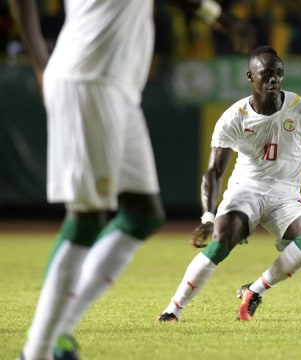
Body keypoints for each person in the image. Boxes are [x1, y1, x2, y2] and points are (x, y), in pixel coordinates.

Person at [9, 1, 252, 359]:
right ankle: (36, 351)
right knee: (87, 217)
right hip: (88, 77)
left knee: (142, 214)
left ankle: (58, 331)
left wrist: (217, 17)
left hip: (119, 88)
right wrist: (39, 62)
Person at [156, 45, 301, 323]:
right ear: (250, 76)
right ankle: (173, 309)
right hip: (246, 190)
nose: (273, 79)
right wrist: (207, 215)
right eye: (266, 74)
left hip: (285, 196)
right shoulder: (234, 117)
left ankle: (254, 290)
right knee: (222, 239)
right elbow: (213, 171)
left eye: (279, 74)